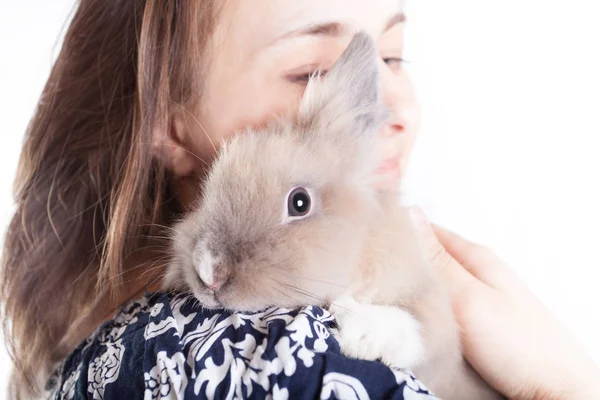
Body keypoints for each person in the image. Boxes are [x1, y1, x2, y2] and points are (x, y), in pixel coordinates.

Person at [1, 0, 598, 399]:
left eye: (392, 57)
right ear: (170, 123)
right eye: (311, 69)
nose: (394, 107)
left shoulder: (103, 342)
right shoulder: (288, 358)